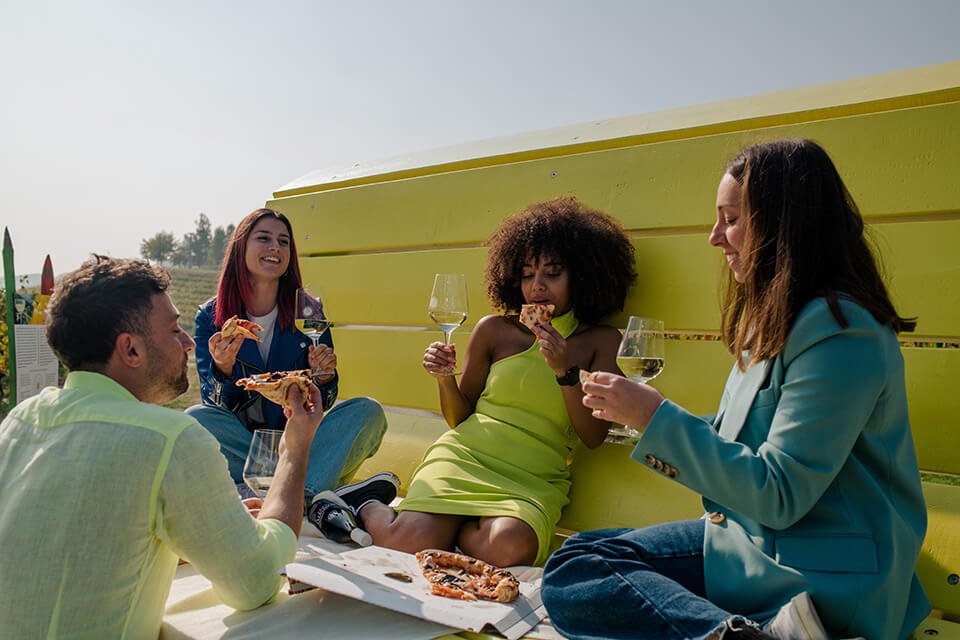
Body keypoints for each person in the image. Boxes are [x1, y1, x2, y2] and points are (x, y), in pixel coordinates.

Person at [540, 139, 931, 640]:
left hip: (823, 576)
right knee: (577, 565)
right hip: (750, 549)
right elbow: (740, 439)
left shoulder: (840, 332)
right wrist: (641, 416)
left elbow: (780, 493)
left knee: (587, 574)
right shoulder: (775, 321)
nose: (714, 238)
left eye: (730, 219)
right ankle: (740, 634)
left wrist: (656, 418)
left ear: (784, 224)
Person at [0, 256, 322, 638]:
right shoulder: (169, 438)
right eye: (173, 330)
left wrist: (201, 523)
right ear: (130, 350)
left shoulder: (19, 421)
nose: (188, 342)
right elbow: (256, 581)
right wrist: (294, 447)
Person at [332, 197, 637, 567]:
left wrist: (564, 370)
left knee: (506, 549)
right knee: (401, 542)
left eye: (552, 273)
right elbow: (460, 418)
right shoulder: (495, 330)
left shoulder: (601, 341)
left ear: (582, 277)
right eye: (527, 274)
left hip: (531, 477)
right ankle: (366, 503)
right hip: (466, 455)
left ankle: (448, 531)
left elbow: (592, 436)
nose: (537, 287)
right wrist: (445, 379)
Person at [186, 208, 387, 501]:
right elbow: (214, 406)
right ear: (241, 246)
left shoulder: (308, 311)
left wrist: (325, 376)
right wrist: (222, 370)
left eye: (283, 242)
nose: (274, 248)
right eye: (263, 238)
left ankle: (291, 493)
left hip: (301, 440)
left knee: (368, 412)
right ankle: (308, 493)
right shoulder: (212, 317)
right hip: (247, 447)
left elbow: (325, 400)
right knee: (196, 418)